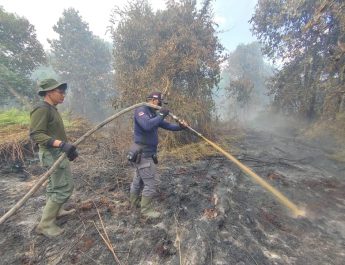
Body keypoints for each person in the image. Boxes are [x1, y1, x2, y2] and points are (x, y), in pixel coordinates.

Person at [30, 78, 78, 237]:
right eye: (60, 91)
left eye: (64, 91)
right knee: (63, 187)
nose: (63, 95)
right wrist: (61, 145)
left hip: (57, 152)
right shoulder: (42, 109)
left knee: (54, 186)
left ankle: (57, 211)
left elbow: (54, 133)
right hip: (51, 154)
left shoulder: (52, 109)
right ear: (49, 92)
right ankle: (45, 225)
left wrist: (68, 148)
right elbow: (37, 135)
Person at [129, 92, 188, 218]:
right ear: (154, 100)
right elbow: (147, 126)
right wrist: (161, 114)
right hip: (143, 154)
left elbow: (167, 125)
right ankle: (145, 210)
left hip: (146, 153)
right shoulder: (141, 111)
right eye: (160, 102)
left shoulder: (153, 113)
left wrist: (181, 127)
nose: (161, 105)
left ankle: (134, 204)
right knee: (150, 183)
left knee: (138, 180)